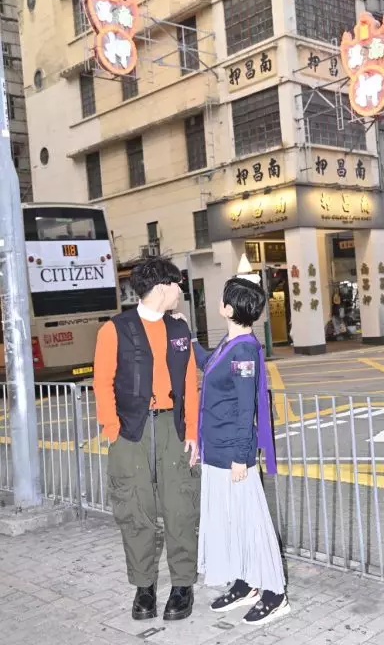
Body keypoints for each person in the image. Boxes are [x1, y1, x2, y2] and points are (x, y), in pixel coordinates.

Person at [93, 257, 200, 622]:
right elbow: (102, 382)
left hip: (173, 428)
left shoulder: (179, 329)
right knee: (135, 511)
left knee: (180, 509)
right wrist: (112, 430)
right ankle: (144, 588)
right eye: (176, 284)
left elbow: (189, 383)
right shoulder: (114, 329)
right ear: (161, 287)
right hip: (131, 432)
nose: (180, 291)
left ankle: (182, 586)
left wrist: (192, 432)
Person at [192, 276, 290, 626]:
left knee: (251, 524)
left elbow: (246, 407)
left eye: (222, 299)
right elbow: (208, 366)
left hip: (233, 455)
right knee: (231, 522)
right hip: (216, 450)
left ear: (228, 308)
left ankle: (275, 595)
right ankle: (246, 583)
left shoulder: (244, 350)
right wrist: (189, 340)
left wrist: (239, 457)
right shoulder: (229, 343)